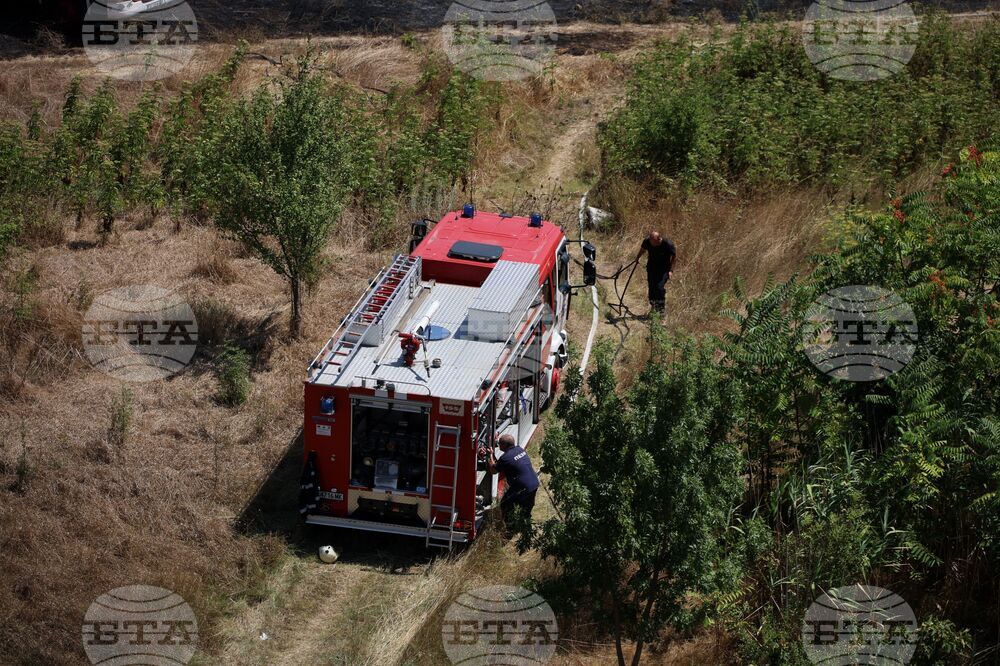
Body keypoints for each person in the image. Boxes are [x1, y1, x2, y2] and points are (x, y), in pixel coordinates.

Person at [489, 433, 539, 528]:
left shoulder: (505, 458)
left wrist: (490, 455)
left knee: (505, 504)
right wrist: (496, 441)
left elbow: (493, 470)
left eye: (499, 444)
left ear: (504, 445)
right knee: (526, 509)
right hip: (534, 483)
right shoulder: (520, 449)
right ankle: (526, 528)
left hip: (522, 487)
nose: (499, 445)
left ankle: (510, 528)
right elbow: (503, 463)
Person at [636, 231, 676, 314]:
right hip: (651, 267)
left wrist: (671, 270)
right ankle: (653, 306)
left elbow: (674, 257)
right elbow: (643, 249)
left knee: (659, 288)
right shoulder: (647, 241)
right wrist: (637, 258)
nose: (653, 244)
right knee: (651, 287)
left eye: (654, 242)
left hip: (664, 269)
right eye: (651, 242)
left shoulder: (668, 244)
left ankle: (661, 310)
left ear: (659, 239)